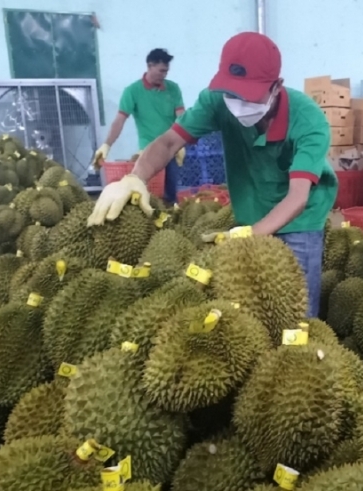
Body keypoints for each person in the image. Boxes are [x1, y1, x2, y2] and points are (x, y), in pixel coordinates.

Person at [87, 32, 338, 318]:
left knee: (298, 314)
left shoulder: (308, 121)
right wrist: (134, 178)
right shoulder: (216, 101)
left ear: (276, 86)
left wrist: (250, 236)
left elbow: (297, 198)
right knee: (249, 310)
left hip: (301, 218)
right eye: (232, 93)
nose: (238, 102)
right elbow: (169, 142)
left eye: (249, 95)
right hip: (252, 208)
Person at [92, 48, 186, 205]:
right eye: (161, 71)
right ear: (150, 66)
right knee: (147, 195)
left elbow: (181, 116)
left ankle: (171, 224)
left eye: (166, 71)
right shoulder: (133, 91)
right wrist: (107, 145)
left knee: (170, 194)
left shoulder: (173, 89)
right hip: (148, 150)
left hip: (171, 149)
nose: (164, 75)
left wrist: (182, 140)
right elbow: (120, 120)